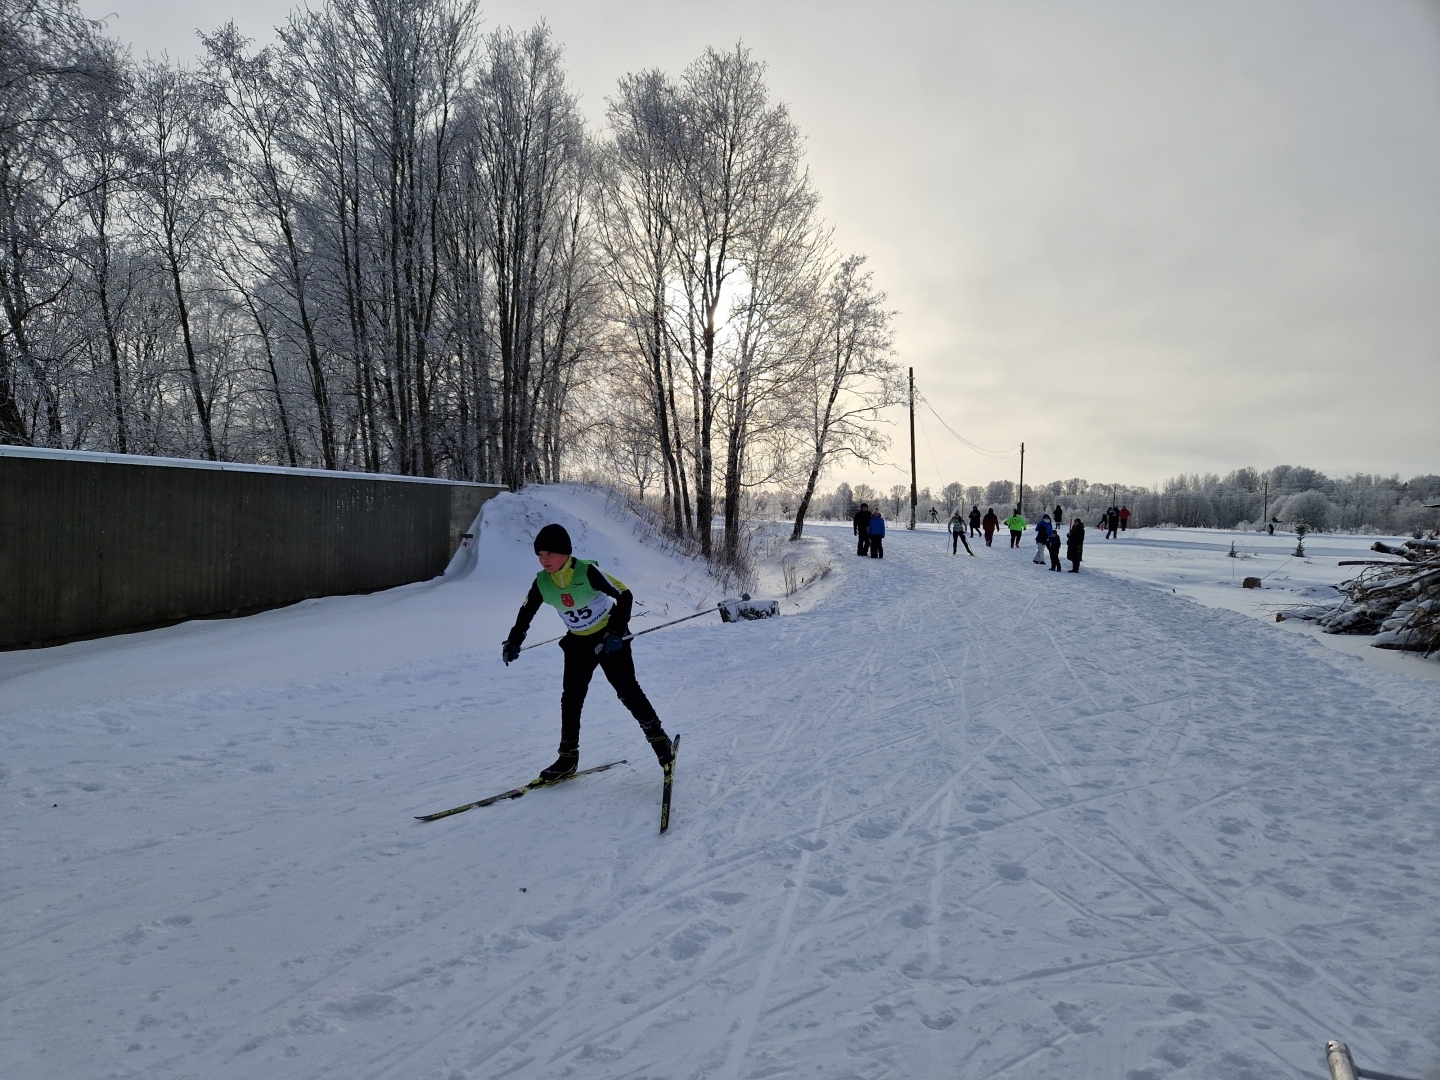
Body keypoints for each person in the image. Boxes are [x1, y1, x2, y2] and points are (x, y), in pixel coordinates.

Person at [502, 524, 673, 783]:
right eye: (539, 555)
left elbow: (624, 594)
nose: (544, 560)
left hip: (608, 639)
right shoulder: (542, 582)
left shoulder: (587, 571)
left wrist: (616, 632)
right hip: (578, 643)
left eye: (549, 553)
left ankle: (660, 741)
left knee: (627, 691)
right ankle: (567, 757)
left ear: (565, 553)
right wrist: (514, 640)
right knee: (571, 699)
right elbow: (527, 612)